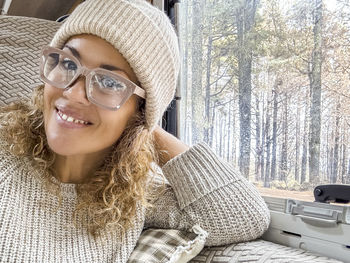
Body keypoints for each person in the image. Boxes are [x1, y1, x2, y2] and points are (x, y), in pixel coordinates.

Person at [0, 0, 270, 262]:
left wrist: (145, 126)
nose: (73, 93)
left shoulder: (131, 197)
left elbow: (242, 215)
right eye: (69, 64)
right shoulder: (6, 160)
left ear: (140, 111)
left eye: (108, 81)